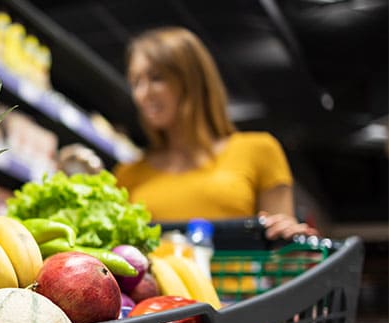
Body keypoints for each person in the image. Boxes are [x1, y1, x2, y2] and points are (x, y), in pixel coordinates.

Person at [114, 26, 317, 240]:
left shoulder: (259, 150)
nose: (143, 94)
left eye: (156, 78)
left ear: (192, 79)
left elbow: (283, 260)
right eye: (136, 82)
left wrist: (291, 237)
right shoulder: (127, 175)